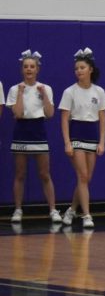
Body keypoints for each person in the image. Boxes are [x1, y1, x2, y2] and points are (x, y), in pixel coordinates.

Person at [58, 48, 105, 229]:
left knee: (86, 179)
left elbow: (102, 119)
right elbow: (64, 119)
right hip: (77, 134)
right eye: (76, 68)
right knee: (83, 175)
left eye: (82, 67)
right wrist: (67, 142)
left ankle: (71, 210)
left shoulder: (100, 92)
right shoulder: (69, 92)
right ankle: (86, 215)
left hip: (92, 135)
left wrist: (102, 141)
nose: (78, 71)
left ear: (90, 70)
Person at [7, 51, 59, 224]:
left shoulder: (46, 88)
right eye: (26, 66)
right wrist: (21, 93)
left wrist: (43, 94)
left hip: (38, 130)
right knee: (20, 173)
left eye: (32, 66)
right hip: (21, 131)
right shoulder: (15, 89)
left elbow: (50, 114)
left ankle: (53, 210)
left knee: (45, 173)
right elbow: (18, 113)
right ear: (22, 69)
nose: (29, 69)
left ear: (38, 69)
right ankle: (18, 210)